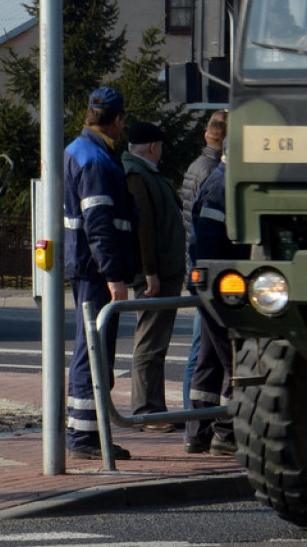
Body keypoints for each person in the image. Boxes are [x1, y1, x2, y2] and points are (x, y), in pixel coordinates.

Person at [64, 86, 137, 460]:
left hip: (87, 267)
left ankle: (87, 433)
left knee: (91, 348)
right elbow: (99, 224)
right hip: (96, 271)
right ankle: (84, 438)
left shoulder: (81, 150)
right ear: (117, 120)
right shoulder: (95, 159)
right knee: (92, 350)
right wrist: (114, 275)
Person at [123, 121, 186, 430]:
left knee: (156, 343)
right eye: (160, 146)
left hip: (163, 269)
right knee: (149, 343)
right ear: (153, 147)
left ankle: (153, 408)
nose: (161, 151)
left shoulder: (145, 173)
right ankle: (146, 410)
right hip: (156, 273)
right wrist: (150, 272)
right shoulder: (137, 174)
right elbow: (144, 227)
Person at [184, 144, 239, 456]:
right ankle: (225, 433)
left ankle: (197, 432)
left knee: (208, 362)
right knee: (233, 361)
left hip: (211, 287)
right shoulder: (223, 186)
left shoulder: (218, 182)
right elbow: (209, 243)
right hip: (222, 290)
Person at [179, 110, 227, 409]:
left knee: (201, 349)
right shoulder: (213, 171)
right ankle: (192, 415)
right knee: (202, 350)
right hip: (206, 269)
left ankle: (192, 417)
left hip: (195, 263)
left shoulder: (198, 165)